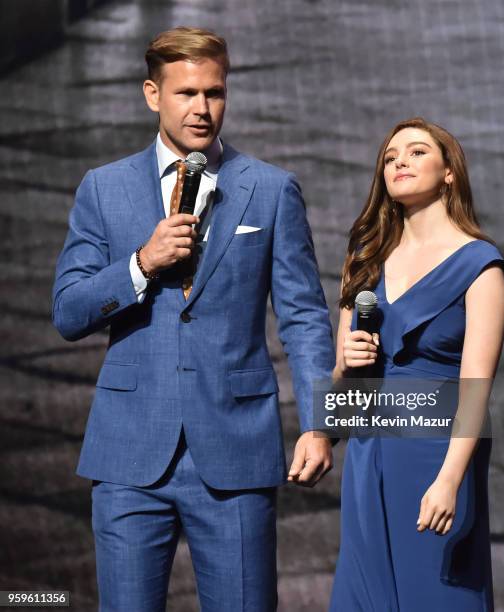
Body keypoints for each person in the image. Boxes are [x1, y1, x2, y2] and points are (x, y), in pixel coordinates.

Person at [52, 26, 335, 612]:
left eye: (214, 92)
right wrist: (140, 263)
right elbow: (68, 311)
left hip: (235, 452)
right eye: (186, 94)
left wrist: (316, 422)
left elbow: (304, 317)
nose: (202, 109)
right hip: (129, 453)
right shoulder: (103, 190)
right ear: (153, 94)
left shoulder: (271, 189)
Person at [329, 117, 504, 611]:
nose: (399, 163)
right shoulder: (365, 255)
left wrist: (451, 480)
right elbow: (344, 394)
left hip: (437, 456)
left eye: (415, 152)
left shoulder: (481, 266)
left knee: (437, 592)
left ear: (449, 171)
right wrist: (347, 365)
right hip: (371, 452)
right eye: (390, 157)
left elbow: (476, 388)